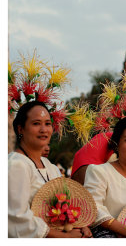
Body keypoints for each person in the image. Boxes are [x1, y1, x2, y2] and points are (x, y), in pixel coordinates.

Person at [8, 101, 92, 238]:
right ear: (20, 129)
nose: (44, 129)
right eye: (36, 123)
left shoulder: (50, 166)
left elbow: (66, 204)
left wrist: (81, 225)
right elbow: (17, 218)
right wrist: (65, 237)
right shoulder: (16, 165)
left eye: (47, 124)